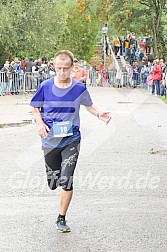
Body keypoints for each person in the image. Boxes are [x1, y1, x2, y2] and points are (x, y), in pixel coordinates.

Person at [30, 50, 111, 233]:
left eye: (65, 68)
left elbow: (89, 105)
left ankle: (61, 218)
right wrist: (40, 123)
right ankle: (54, 179)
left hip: (71, 139)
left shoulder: (79, 88)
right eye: (58, 68)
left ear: (72, 68)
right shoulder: (45, 86)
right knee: (53, 182)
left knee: (66, 179)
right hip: (50, 141)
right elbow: (35, 107)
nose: (62, 72)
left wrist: (99, 114)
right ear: (54, 66)